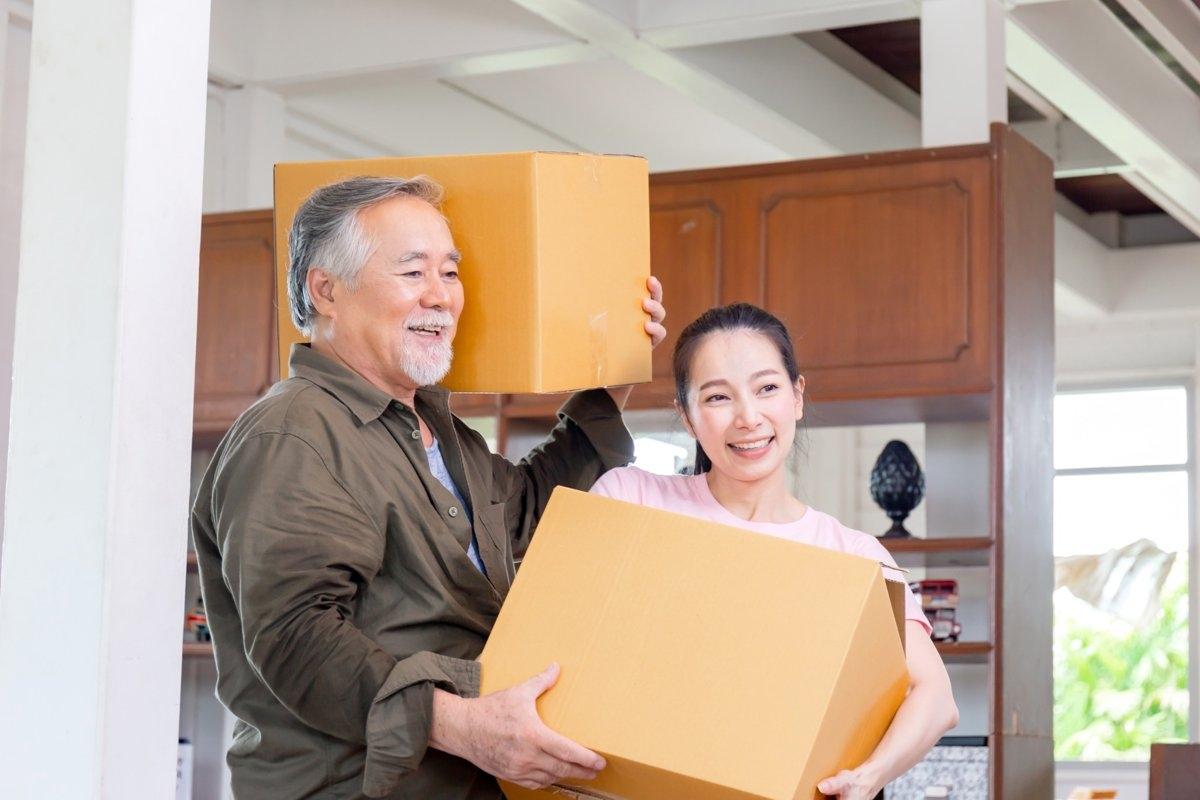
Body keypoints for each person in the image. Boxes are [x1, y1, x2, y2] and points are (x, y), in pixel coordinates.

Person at [190, 175, 666, 799]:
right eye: (413, 272)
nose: (440, 297)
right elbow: (298, 639)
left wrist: (614, 371)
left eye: (450, 272)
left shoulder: (436, 429)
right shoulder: (292, 434)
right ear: (325, 291)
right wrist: (464, 727)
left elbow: (526, 514)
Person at [591, 303, 958, 800]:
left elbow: (935, 697)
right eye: (718, 397)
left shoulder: (853, 556)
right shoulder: (631, 500)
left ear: (797, 396)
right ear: (687, 416)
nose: (748, 418)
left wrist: (868, 777)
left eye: (767, 388)